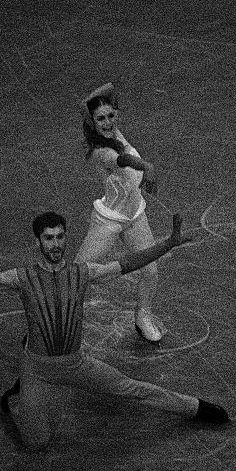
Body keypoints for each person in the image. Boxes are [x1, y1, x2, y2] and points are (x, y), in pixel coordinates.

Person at [0, 211, 229, 451]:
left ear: (66, 237)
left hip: (76, 363)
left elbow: (130, 262)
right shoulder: (20, 277)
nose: (55, 244)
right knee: (36, 443)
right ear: (38, 241)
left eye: (60, 237)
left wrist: (168, 244)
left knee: (134, 389)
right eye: (49, 238)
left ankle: (196, 407)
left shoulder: (84, 272)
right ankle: (14, 400)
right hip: (37, 368)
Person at [76, 82, 166, 341]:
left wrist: (99, 99)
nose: (107, 122)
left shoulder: (116, 134)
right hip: (110, 221)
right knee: (77, 276)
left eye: (111, 116)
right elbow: (124, 161)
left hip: (135, 215)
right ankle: (59, 323)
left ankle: (142, 317)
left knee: (150, 270)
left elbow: (105, 92)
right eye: (100, 118)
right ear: (92, 123)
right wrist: (146, 165)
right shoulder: (100, 152)